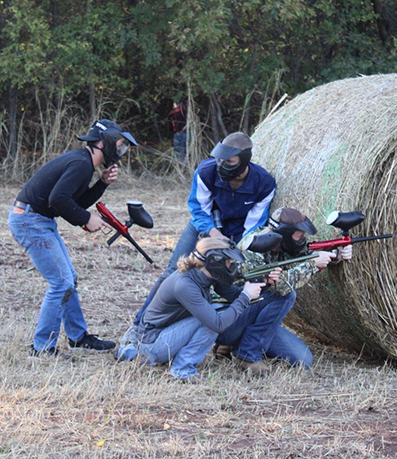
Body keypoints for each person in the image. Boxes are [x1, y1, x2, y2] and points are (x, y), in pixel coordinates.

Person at [122, 131, 276, 340]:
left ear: (244, 160)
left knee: (230, 277)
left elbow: (254, 225)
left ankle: (229, 336)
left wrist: (236, 249)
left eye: (229, 161)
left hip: (238, 231)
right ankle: (139, 327)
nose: (221, 165)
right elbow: (198, 209)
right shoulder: (206, 171)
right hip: (205, 224)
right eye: (219, 160)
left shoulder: (264, 182)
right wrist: (213, 233)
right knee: (173, 271)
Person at [9, 119, 137, 359]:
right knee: (61, 283)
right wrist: (85, 218)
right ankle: (42, 349)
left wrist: (102, 184)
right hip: (30, 221)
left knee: (69, 278)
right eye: (118, 144)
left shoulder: (83, 162)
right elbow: (58, 200)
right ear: (103, 143)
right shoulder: (81, 164)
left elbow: (74, 201)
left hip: (39, 220)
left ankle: (78, 338)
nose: (120, 151)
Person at [117, 237, 291, 378]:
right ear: (215, 261)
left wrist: (264, 283)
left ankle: (182, 364)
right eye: (229, 261)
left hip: (166, 336)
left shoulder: (207, 275)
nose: (231, 265)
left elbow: (234, 296)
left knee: (215, 314)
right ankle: (182, 370)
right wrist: (246, 295)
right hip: (153, 344)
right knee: (212, 319)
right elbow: (218, 324)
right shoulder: (185, 285)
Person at [225, 207, 353, 369]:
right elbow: (279, 286)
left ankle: (234, 343)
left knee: (302, 360)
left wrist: (335, 254)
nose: (301, 240)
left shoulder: (282, 245)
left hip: (255, 318)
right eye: (298, 236)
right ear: (284, 234)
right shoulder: (253, 247)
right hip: (230, 318)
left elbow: (304, 255)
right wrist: (313, 265)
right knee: (286, 295)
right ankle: (247, 354)